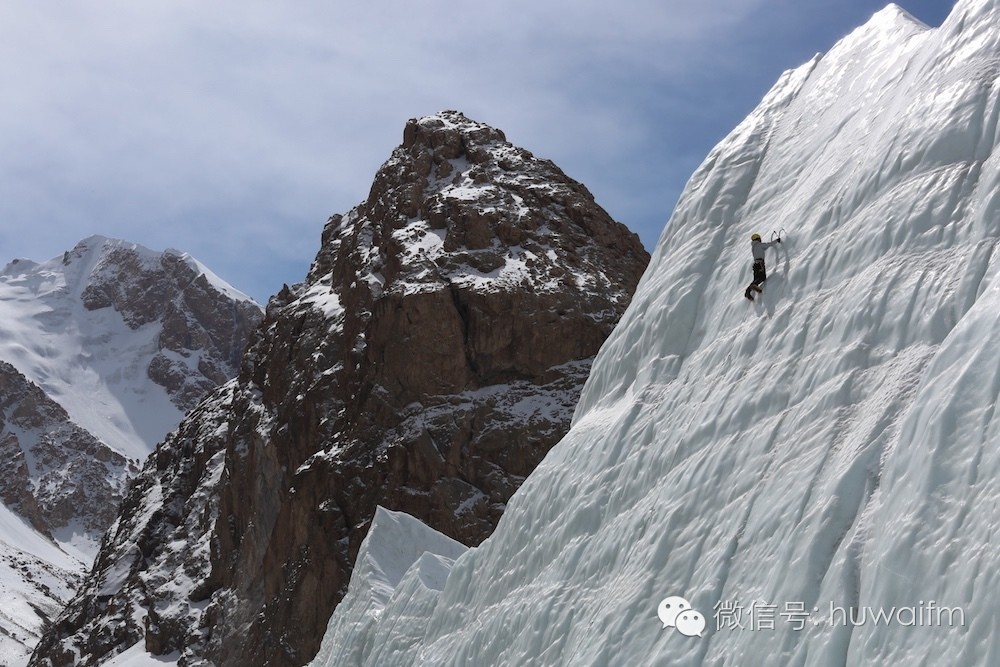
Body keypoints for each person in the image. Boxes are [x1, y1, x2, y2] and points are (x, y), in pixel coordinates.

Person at [745, 233, 780, 301]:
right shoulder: (759, 245)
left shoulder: (753, 247)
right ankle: (753, 287)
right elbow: (768, 244)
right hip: (760, 264)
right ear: (758, 239)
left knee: (756, 279)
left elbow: (762, 250)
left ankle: (747, 292)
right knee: (762, 277)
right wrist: (776, 241)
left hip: (755, 265)